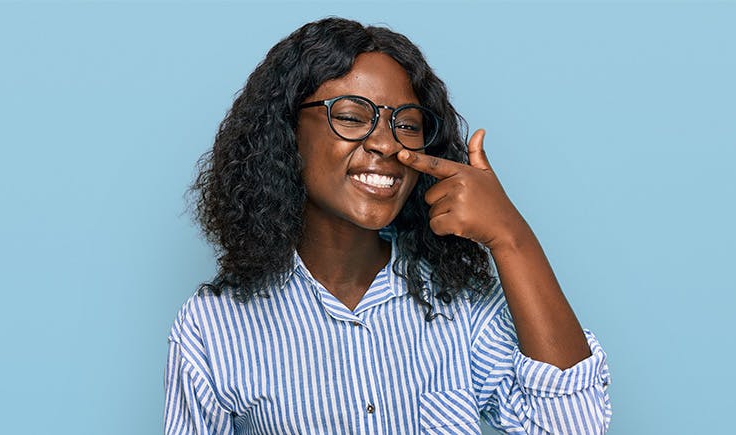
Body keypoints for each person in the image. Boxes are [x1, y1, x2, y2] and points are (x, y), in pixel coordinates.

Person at [166, 17, 611, 434]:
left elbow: (573, 424)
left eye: (407, 124)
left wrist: (511, 238)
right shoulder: (212, 327)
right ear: (286, 132)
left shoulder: (462, 305)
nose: (384, 142)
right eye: (352, 117)